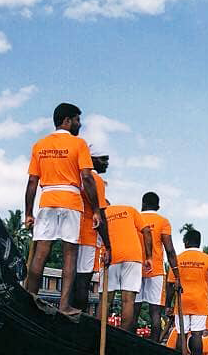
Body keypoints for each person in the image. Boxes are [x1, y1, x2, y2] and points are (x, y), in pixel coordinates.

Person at [24, 103, 101, 314]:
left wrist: (28, 212)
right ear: (67, 120)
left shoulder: (40, 145)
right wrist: (95, 209)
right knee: (70, 253)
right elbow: (87, 177)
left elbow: (32, 182)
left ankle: (30, 297)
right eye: (77, 119)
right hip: (71, 200)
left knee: (41, 251)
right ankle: (65, 305)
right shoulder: (79, 144)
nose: (80, 123)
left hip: (47, 198)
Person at [165, 228, 208, 355]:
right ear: (199, 242)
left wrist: (168, 305)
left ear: (186, 241)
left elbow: (170, 285)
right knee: (197, 335)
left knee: (182, 334)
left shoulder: (177, 259)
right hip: (200, 303)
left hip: (181, 302)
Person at [100, 202, 151, 332]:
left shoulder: (101, 213)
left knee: (105, 300)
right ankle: (123, 337)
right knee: (128, 301)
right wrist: (149, 257)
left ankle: (98, 335)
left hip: (111, 256)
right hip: (132, 255)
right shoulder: (130, 209)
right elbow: (146, 230)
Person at [135, 192, 179, 341]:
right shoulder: (163, 221)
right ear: (158, 207)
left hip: (135, 269)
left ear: (142, 204)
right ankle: (153, 349)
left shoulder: (136, 218)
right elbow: (170, 250)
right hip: (156, 271)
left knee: (133, 311)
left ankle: (129, 345)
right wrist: (176, 274)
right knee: (155, 314)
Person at [71, 153, 110, 311]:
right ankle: (78, 320)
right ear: (91, 159)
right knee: (83, 280)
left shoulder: (76, 176)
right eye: (103, 159)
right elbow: (100, 214)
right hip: (88, 234)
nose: (106, 163)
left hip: (73, 232)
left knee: (72, 279)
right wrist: (108, 245)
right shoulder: (95, 179)